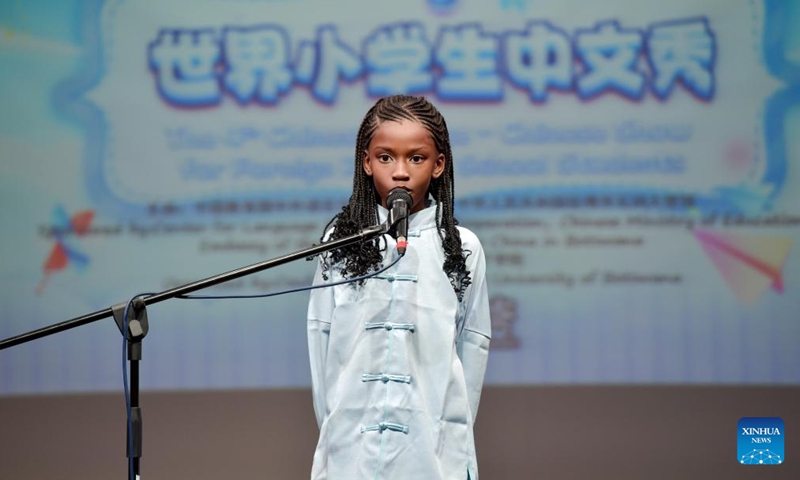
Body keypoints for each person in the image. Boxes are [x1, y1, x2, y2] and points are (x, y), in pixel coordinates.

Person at [306, 94, 491, 480]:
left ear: (439, 165)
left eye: (417, 158)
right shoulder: (340, 242)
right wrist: (336, 429)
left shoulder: (463, 247)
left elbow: (472, 348)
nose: (401, 171)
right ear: (367, 161)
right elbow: (321, 338)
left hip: (432, 449)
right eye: (386, 157)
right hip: (350, 449)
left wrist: (450, 433)